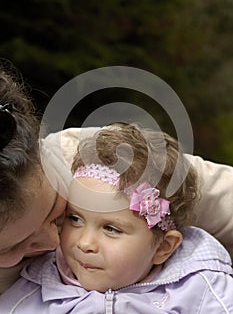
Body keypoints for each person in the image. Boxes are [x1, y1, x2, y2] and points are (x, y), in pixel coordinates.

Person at [0, 59, 233, 296]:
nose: (53, 241)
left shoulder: (105, 165)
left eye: (54, 213)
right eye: (12, 246)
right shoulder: (28, 298)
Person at [0, 124, 232, 313]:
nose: (84, 243)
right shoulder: (35, 293)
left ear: (163, 246)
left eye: (111, 228)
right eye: (75, 219)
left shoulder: (202, 290)